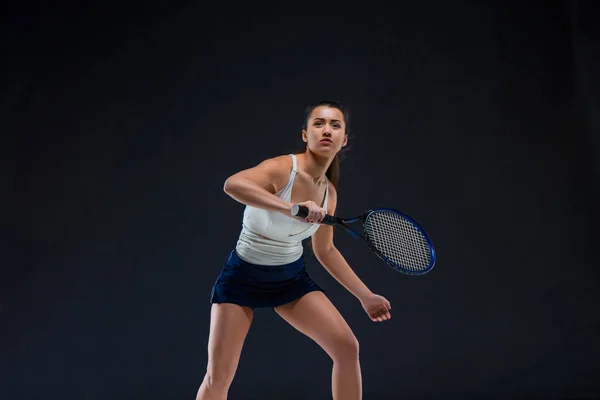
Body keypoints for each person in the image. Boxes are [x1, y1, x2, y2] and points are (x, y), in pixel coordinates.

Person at [196, 100, 392, 400]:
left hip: (291, 279)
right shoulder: (282, 168)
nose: (327, 130)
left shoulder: (329, 194)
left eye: (335, 125)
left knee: (347, 348)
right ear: (305, 135)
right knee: (217, 377)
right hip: (242, 278)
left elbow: (325, 251)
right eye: (319, 123)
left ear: (343, 141)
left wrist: (365, 296)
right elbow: (232, 185)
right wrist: (292, 208)